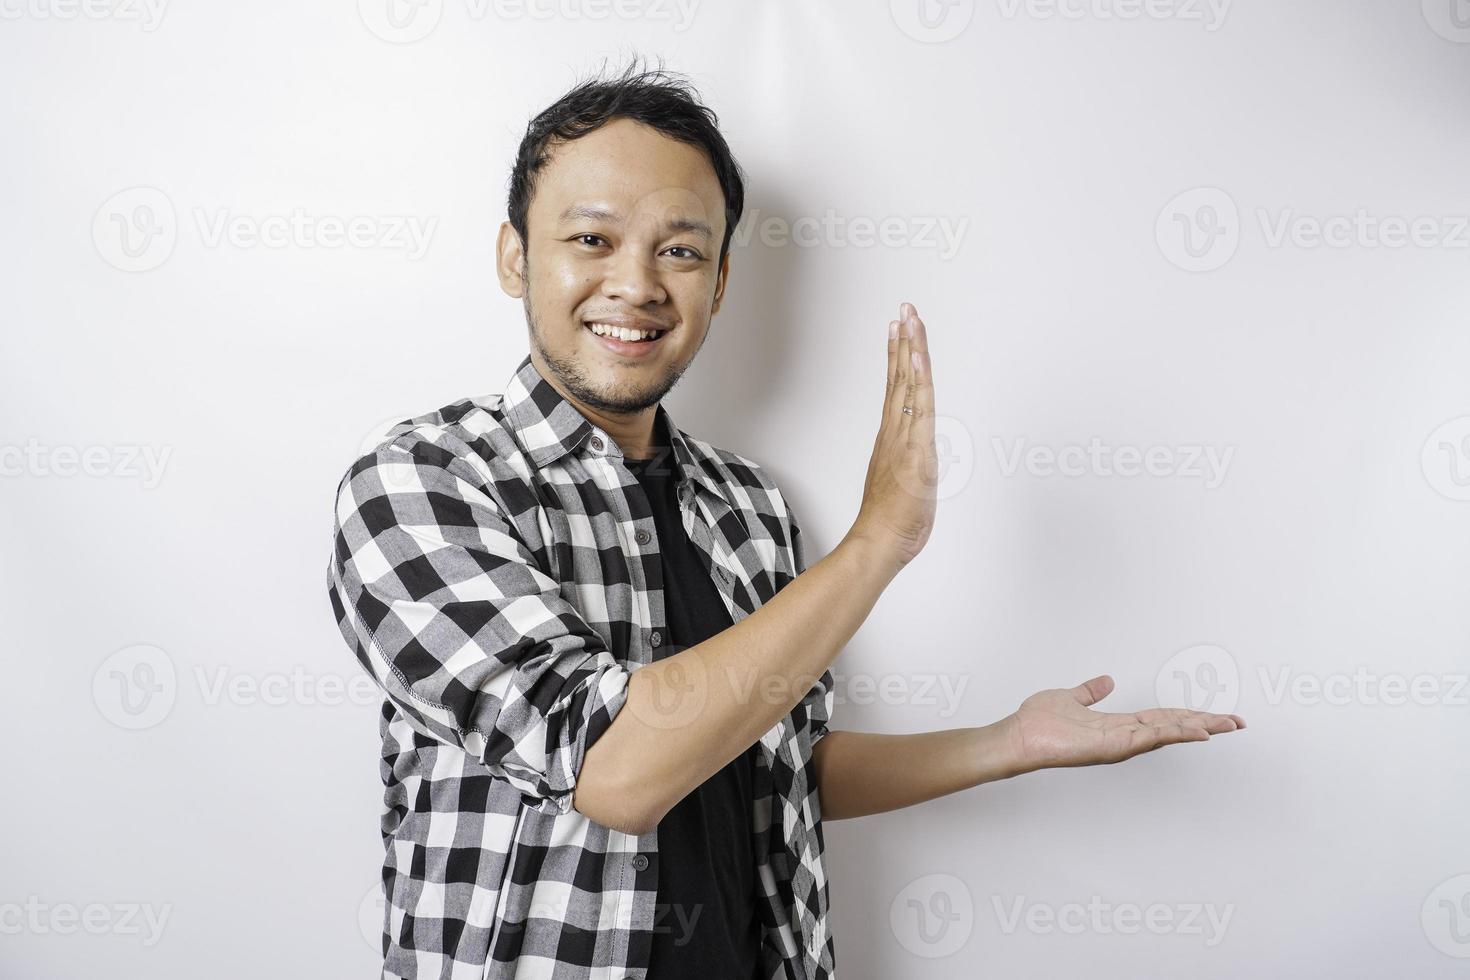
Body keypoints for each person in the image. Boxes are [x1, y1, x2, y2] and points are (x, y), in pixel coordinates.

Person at [325, 58, 1246, 980]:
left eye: (680, 251)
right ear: (515, 257)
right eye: (593, 239)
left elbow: (775, 770)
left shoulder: (748, 507)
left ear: (720, 283)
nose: (638, 284)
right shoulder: (421, 482)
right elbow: (616, 772)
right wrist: (881, 539)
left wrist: (1008, 744)